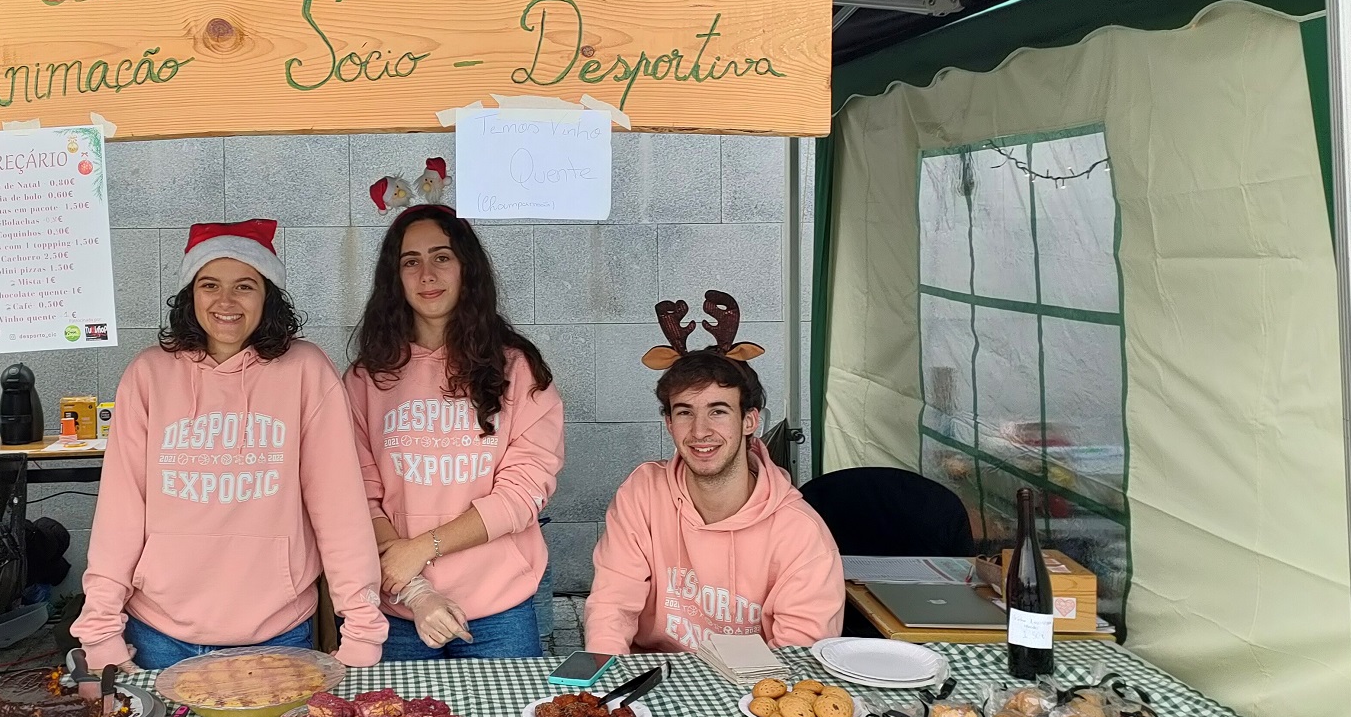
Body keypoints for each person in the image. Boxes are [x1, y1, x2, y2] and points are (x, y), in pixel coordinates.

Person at [73, 219, 387, 672]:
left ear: (268, 296)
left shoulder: (305, 372)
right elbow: (120, 510)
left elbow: (338, 508)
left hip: (275, 635)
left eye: (244, 286)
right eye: (209, 285)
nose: (225, 302)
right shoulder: (148, 376)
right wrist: (100, 629)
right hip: (160, 633)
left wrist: (360, 626)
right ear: (190, 294)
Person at [346, 205, 564, 660]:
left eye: (441, 257)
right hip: (400, 606)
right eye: (411, 261)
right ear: (395, 278)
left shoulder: (517, 369)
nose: (427, 274)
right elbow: (356, 496)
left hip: (500, 609)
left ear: (467, 268)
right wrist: (416, 588)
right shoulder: (368, 379)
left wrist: (424, 548)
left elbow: (524, 493)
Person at [585, 330, 842, 656]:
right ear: (669, 423)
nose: (700, 431)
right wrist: (606, 687)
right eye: (684, 412)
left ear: (750, 420)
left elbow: (799, 655)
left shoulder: (800, 531)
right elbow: (612, 605)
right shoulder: (643, 493)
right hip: (651, 683)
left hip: (753, 691)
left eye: (718, 411)